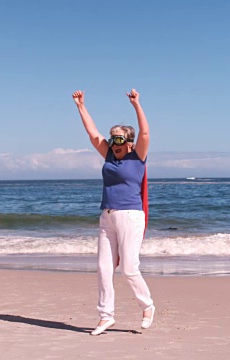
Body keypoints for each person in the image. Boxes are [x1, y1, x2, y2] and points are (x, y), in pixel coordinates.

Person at [72, 88, 155, 336]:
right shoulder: (108, 154)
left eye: (119, 139)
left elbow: (145, 132)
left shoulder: (137, 157)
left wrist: (137, 105)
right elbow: (92, 133)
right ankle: (106, 316)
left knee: (129, 268)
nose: (113, 143)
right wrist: (81, 106)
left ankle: (147, 306)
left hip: (130, 216)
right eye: (112, 138)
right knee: (104, 268)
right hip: (107, 216)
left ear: (128, 142)